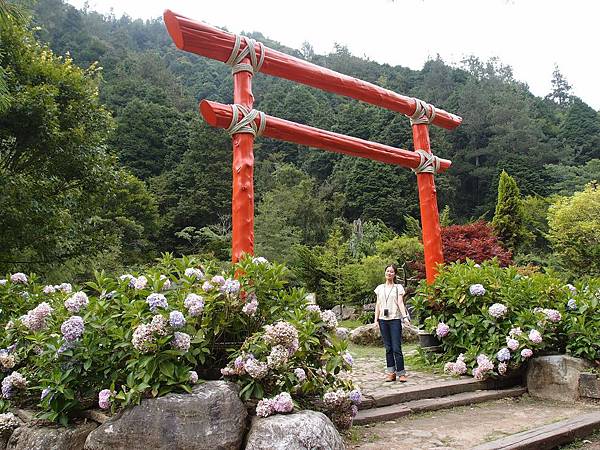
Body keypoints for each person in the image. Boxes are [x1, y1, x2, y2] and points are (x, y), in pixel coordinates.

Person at [374, 264, 411, 382]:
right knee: (388, 348)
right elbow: (378, 304)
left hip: (395, 319)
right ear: (385, 273)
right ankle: (391, 372)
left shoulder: (398, 288)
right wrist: (376, 320)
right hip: (383, 320)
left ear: (394, 274)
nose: (389, 273)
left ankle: (401, 373)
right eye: (387, 271)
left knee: (396, 347)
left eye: (391, 272)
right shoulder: (379, 288)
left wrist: (404, 317)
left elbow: (400, 303)